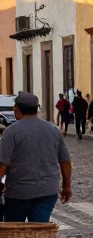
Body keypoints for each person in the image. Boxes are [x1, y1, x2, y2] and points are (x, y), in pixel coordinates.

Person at [0, 92, 72, 222]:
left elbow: (2, 164)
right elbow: (65, 161)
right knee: (39, 229)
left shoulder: (10, 132)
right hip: (47, 192)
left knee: (14, 232)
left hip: (18, 193)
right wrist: (67, 186)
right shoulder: (53, 130)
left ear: (16, 108)